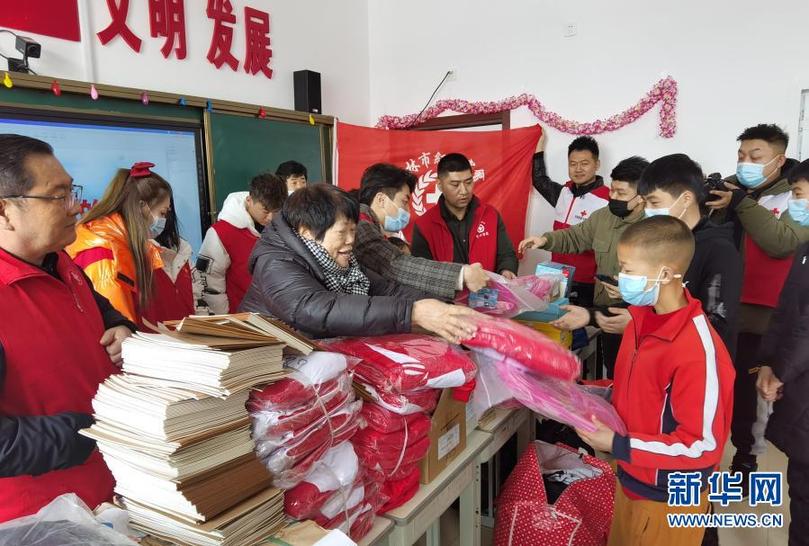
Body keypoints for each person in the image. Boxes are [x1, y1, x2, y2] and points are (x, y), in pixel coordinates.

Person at [576, 216, 735, 546]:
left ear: (664, 274)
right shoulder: (639, 321)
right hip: (631, 478)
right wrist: (588, 396)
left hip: (668, 497)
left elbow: (702, 446)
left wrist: (618, 444)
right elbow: (640, 391)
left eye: (627, 270)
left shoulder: (697, 351)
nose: (620, 278)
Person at [0, 134, 135, 521]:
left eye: (72, 192)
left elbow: (99, 309)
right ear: (4, 211)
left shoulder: (61, 262)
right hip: (40, 517)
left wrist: (120, 326)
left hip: (108, 491)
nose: (75, 207)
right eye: (58, 197)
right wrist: (83, 432)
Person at [240, 183, 483, 342]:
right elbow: (318, 309)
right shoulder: (275, 262)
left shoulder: (339, 259)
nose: (350, 241)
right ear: (307, 232)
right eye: (342, 232)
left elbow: (387, 289)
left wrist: (446, 308)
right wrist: (413, 312)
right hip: (268, 361)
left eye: (353, 231)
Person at [708, 124, 809, 485]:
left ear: (779, 160)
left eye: (755, 156)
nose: (745, 163)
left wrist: (740, 202)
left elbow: (781, 242)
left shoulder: (794, 198)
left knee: (751, 395)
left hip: (766, 315)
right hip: (729, 306)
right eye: (741, 155)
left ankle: (747, 458)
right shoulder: (739, 193)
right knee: (723, 384)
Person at [519, 156, 648, 377]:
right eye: (612, 190)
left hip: (640, 317)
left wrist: (633, 288)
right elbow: (575, 236)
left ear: (642, 197)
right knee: (615, 373)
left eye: (621, 193)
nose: (613, 197)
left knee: (639, 376)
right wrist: (544, 240)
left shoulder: (655, 227)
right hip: (606, 313)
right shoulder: (604, 217)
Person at [640, 154, 743, 356]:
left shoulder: (719, 250)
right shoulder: (662, 244)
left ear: (686, 198)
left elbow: (716, 322)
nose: (647, 211)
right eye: (645, 203)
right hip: (659, 355)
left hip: (699, 362)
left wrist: (648, 324)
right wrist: (592, 315)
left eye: (654, 202)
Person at [353, 163, 489, 299]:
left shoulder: (366, 223)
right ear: (381, 200)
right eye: (404, 201)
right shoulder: (359, 225)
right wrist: (462, 274)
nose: (408, 211)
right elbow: (395, 265)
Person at [67, 162, 176, 328]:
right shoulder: (106, 256)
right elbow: (120, 329)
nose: (164, 221)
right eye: (162, 213)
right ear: (141, 207)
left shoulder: (120, 244)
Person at [756, 234, 809, 546]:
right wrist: (767, 361)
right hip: (799, 383)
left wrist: (781, 372)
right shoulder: (805, 249)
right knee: (801, 488)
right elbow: (786, 309)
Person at [532, 132, 611, 306]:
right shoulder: (563, 192)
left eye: (584, 163)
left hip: (587, 282)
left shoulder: (609, 200)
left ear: (597, 164)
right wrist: (538, 144)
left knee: (580, 321)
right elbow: (539, 180)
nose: (578, 169)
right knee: (555, 319)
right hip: (555, 275)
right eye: (573, 164)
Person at [411, 153, 518, 278]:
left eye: (468, 182)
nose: (464, 191)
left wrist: (507, 270)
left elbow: (507, 254)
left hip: (487, 288)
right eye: (455, 185)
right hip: (446, 291)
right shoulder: (424, 225)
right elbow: (422, 273)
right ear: (439, 184)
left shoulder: (490, 215)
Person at [197, 173, 286, 314]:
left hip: (278, 315)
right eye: (265, 210)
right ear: (249, 200)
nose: (270, 217)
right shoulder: (222, 232)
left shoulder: (283, 229)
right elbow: (209, 282)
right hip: (240, 317)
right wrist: (224, 318)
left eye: (275, 211)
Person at [147, 195, 205, 322]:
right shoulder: (137, 253)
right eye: (162, 212)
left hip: (188, 329)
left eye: (166, 212)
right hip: (155, 332)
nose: (162, 218)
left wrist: (202, 326)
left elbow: (197, 295)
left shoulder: (182, 249)